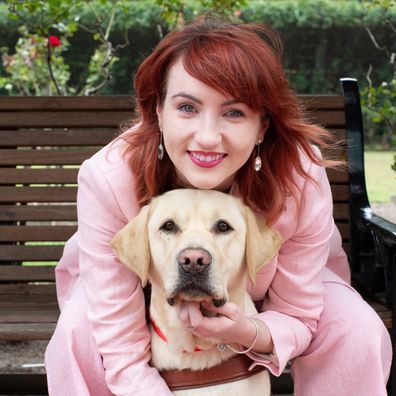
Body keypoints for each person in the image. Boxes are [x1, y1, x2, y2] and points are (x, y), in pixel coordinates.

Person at [45, 17, 392, 395]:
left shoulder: (299, 173)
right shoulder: (109, 177)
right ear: (158, 112)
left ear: (262, 127)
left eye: (234, 112)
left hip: (273, 285)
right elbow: (119, 342)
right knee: (79, 331)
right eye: (188, 108)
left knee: (355, 328)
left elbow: (298, 311)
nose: (208, 137)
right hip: (135, 283)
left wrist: (249, 331)